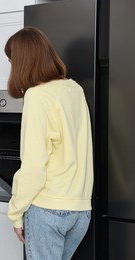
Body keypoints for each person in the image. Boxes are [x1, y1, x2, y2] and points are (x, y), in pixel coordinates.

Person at [5, 27, 94, 260]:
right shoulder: (75, 89)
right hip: (80, 210)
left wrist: (15, 213)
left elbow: (34, 165)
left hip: (48, 209)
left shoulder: (37, 96)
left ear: (22, 62)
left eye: (12, 61)